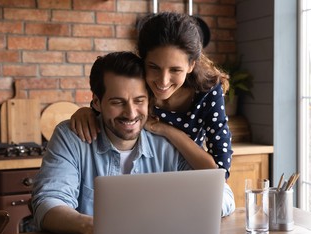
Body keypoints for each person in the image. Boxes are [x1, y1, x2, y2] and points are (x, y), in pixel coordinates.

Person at [31, 51, 235, 234]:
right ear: (96, 102)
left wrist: (190, 214)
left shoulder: (168, 143)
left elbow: (223, 194)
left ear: (149, 101)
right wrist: (88, 226)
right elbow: (48, 203)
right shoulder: (70, 137)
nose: (130, 113)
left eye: (139, 100)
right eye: (117, 102)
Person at [70, 12, 233, 179]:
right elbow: (103, 108)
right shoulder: (138, 83)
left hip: (189, 178)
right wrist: (84, 112)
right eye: (154, 67)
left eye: (175, 70)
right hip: (145, 175)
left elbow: (220, 172)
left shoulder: (208, 92)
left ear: (191, 65)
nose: (163, 81)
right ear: (143, 61)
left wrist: (164, 129)